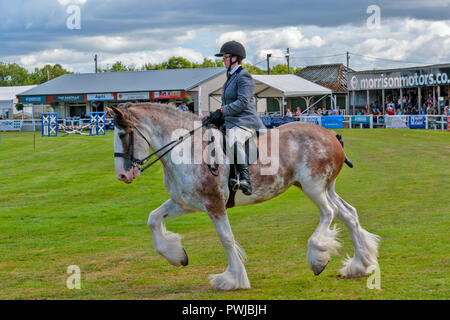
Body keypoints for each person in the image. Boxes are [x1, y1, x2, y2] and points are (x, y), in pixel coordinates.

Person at [202, 40, 265, 196]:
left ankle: (245, 179)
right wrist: (215, 118)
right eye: (223, 58)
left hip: (246, 122)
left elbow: (243, 102)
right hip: (232, 122)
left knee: (234, 141)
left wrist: (222, 111)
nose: (223, 60)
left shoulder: (244, 77)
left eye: (225, 57)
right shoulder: (231, 77)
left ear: (235, 58)